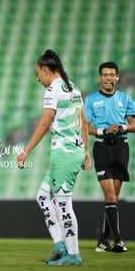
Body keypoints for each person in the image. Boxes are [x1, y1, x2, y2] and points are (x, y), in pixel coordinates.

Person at [17, 49, 91, 265]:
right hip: (73, 151)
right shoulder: (73, 88)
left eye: (37, 73)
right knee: (42, 197)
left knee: (63, 205)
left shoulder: (53, 90)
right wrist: (85, 151)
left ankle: (73, 254)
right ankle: (60, 244)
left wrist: (26, 150)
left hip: (64, 154)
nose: (37, 78)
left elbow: (44, 124)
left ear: (46, 71)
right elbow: (84, 121)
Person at [84, 61, 135, 253]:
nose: (108, 78)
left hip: (121, 148)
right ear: (100, 78)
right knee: (111, 196)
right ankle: (119, 240)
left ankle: (102, 241)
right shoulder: (91, 99)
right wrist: (103, 130)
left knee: (113, 199)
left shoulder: (125, 98)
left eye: (111, 74)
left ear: (117, 77)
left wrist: (122, 127)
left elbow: (134, 124)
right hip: (102, 147)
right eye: (104, 74)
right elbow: (85, 126)